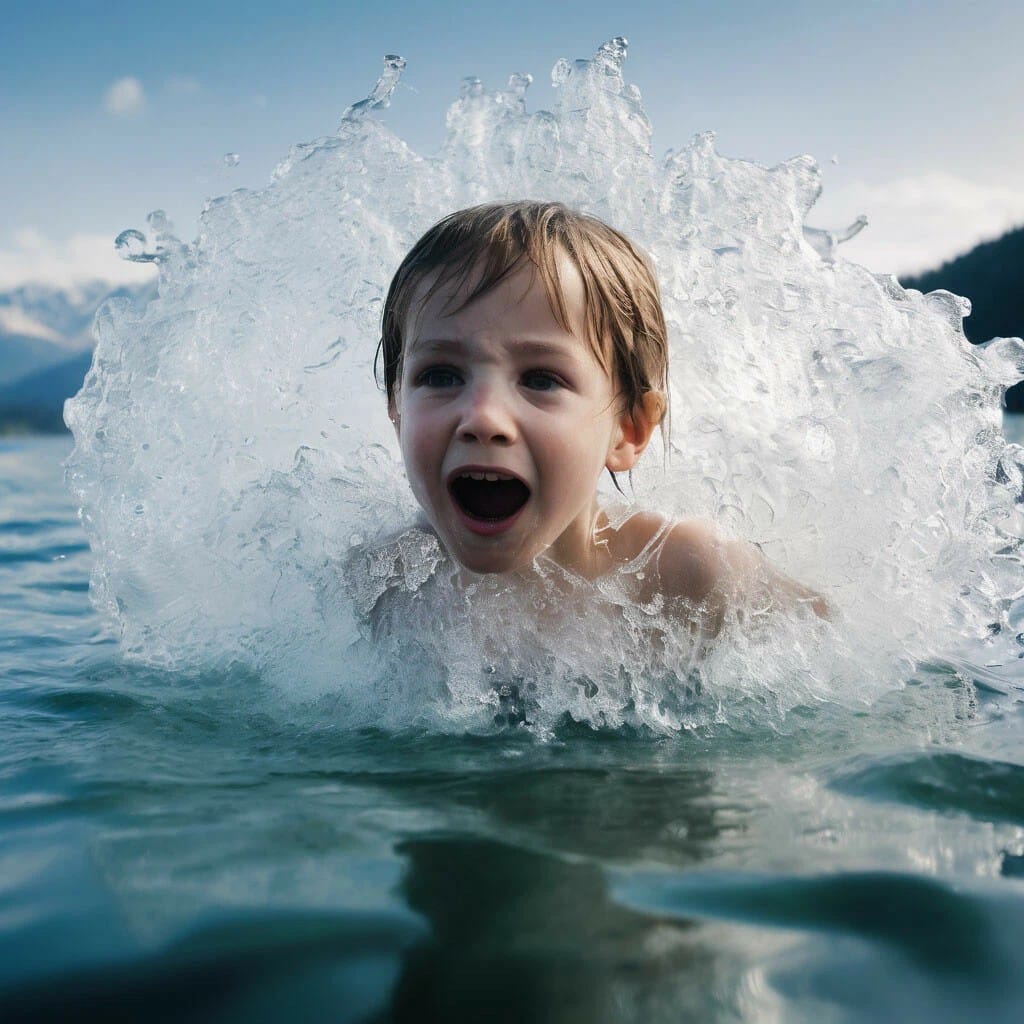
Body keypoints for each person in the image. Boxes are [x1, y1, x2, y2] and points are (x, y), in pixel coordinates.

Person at [374, 200, 826, 637]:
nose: (484, 419)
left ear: (629, 429)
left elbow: (840, 650)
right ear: (397, 409)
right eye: (440, 375)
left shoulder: (689, 575)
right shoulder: (383, 589)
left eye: (541, 380)